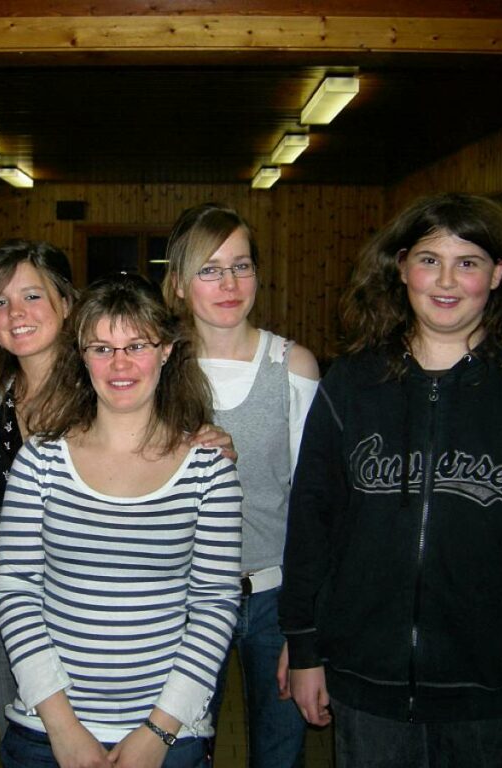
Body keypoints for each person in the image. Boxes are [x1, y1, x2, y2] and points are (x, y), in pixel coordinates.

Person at [277, 193, 502, 767]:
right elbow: (312, 521)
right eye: (429, 259)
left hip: (490, 691)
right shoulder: (352, 384)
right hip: (367, 685)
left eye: (468, 263)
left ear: (499, 274)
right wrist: (305, 645)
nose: (446, 280)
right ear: (401, 267)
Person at [0, 273, 243, 768]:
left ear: (166, 351)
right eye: (102, 348)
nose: (120, 364)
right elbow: (16, 588)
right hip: (46, 734)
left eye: (136, 346)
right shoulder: (40, 460)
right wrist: (64, 730)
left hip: (169, 736)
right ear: (82, 356)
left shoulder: (209, 468)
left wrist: (158, 732)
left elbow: (215, 604)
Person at [164, 202, 319, 768]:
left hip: (274, 597)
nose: (229, 284)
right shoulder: (155, 369)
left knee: (279, 753)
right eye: (209, 269)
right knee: (180, 751)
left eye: (242, 266)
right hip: (180, 597)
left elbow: (313, 503)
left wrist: (306, 627)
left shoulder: (293, 365)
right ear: (178, 284)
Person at [0, 239, 79, 741]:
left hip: (84, 615)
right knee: (20, 747)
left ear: (66, 303)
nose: (16, 313)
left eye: (32, 296)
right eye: (0, 301)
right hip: (2, 615)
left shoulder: (105, 392)